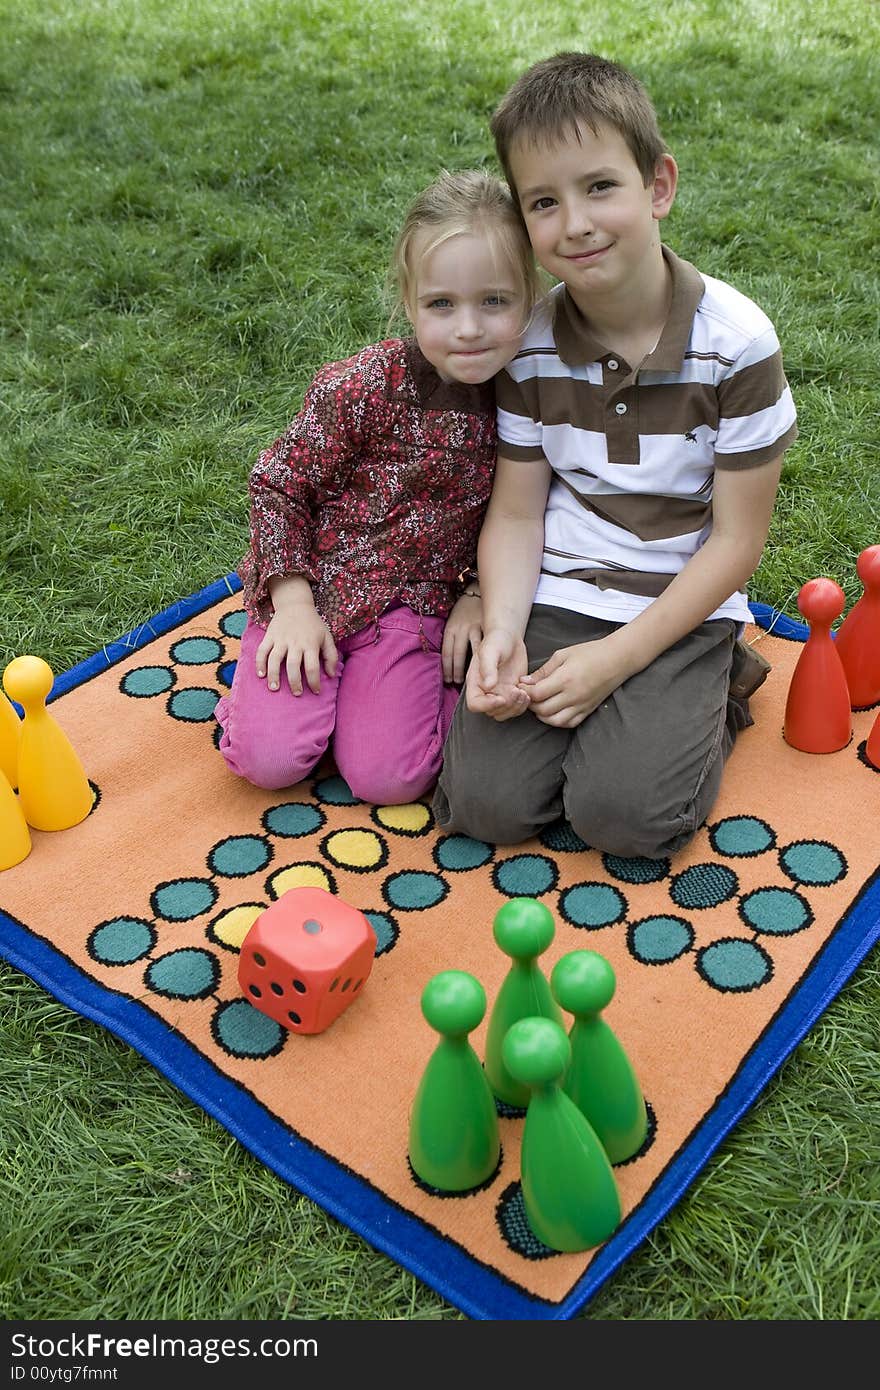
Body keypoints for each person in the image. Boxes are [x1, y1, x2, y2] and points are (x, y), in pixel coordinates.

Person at [434, 52, 798, 859]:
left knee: (623, 818)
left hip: (680, 604)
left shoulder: (737, 347)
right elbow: (519, 510)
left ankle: (719, 686)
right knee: (484, 806)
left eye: (600, 186)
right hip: (561, 592)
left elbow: (737, 543)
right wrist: (502, 627)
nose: (576, 223)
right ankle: (624, 711)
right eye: (543, 202)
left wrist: (617, 661)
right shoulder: (527, 346)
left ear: (658, 186)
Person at [215, 169, 538, 804]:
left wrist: (475, 595)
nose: (468, 328)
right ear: (410, 300)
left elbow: (524, 516)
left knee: (392, 779)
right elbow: (280, 485)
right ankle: (282, 704)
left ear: (531, 295)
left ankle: (380, 712)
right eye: (442, 305)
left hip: (413, 610)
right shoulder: (361, 385)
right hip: (318, 589)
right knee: (270, 760)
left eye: (494, 301)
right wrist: (294, 606)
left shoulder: (530, 401)